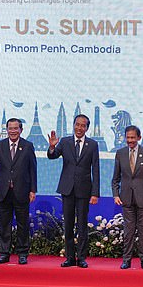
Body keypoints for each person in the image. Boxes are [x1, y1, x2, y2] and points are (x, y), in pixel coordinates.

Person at [47, 114, 99, 268]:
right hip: (67, 189)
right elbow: (53, 156)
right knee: (68, 224)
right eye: (77, 124)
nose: (79, 128)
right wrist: (51, 147)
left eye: (83, 126)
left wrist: (95, 193)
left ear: (87, 128)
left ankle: (81, 258)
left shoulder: (93, 144)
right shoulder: (65, 141)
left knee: (82, 225)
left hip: (84, 190)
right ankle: (70, 258)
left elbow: (95, 169)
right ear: (73, 125)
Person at [0, 118, 37, 265]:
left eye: (16, 128)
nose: (13, 131)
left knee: (22, 224)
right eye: (10, 128)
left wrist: (33, 190)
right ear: (6, 129)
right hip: (3, 191)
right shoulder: (0, 145)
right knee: (4, 224)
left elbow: (33, 169)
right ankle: (4, 253)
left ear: (21, 130)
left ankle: (22, 253)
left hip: (22, 191)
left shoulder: (28, 146)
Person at [111, 125, 143, 270]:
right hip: (126, 198)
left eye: (132, 137)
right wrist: (115, 194)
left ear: (139, 138)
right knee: (128, 231)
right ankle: (126, 260)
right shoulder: (120, 153)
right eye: (128, 138)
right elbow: (115, 178)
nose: (130, 140)